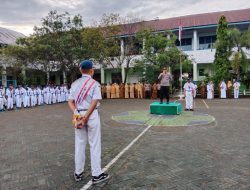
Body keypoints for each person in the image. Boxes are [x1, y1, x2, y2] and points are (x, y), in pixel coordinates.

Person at [68, 60, 109, 183]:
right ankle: (96, 174)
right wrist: (85, 118)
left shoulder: (74, 84)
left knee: (79, 144)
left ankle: (78, 173)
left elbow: (70, 101)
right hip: (91, 115)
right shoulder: (94, 83)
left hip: (77, 114)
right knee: (94, 144)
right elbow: (94, 101)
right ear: (92, 70)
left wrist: (77, 115)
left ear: (81, 70)